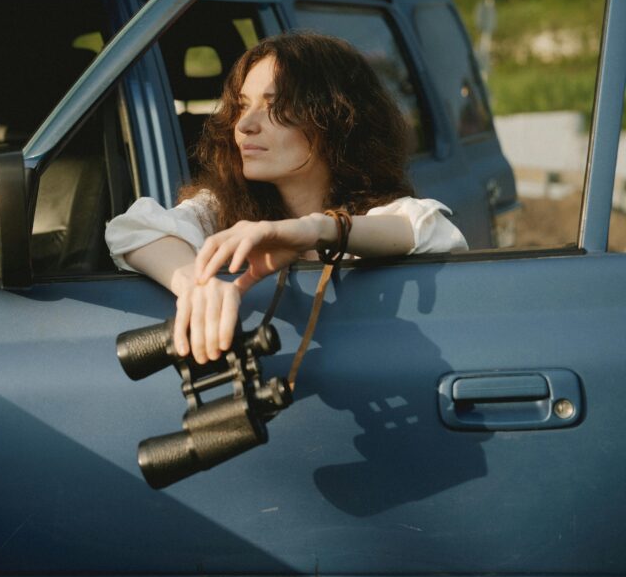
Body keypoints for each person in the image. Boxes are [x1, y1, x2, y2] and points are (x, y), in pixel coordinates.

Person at [105, 31, 466, 364]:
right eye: (242, 106)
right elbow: (133, 229)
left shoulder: (377, 215)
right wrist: (195, 285)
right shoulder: (221, 208)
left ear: (336, 118)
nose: (245, 125)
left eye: (274, 106)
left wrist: (312, 230)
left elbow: (432, 233)